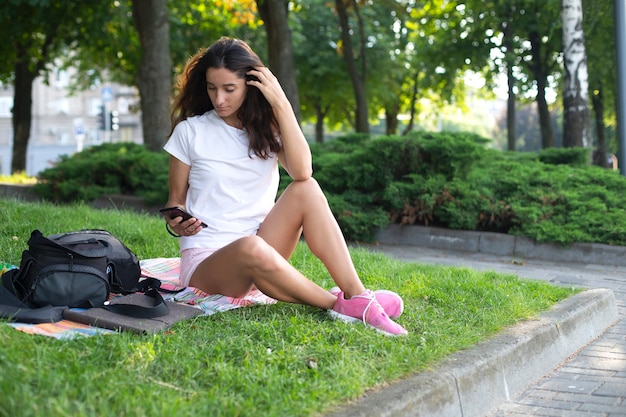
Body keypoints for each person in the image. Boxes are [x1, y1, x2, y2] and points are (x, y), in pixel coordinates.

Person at [162, 36, 407, 336]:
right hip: (208, 261)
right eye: (212, 88)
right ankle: (341, 305)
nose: (219, 99)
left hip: (265, 247)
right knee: (251, 247)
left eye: (229, 89)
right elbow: (175, 201)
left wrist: (280, 102)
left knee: (307, 189)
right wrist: (178, 220)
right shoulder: (191, 132)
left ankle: (356, 294)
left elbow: (303, 171)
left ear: (251, 85)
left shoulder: (266, 129)